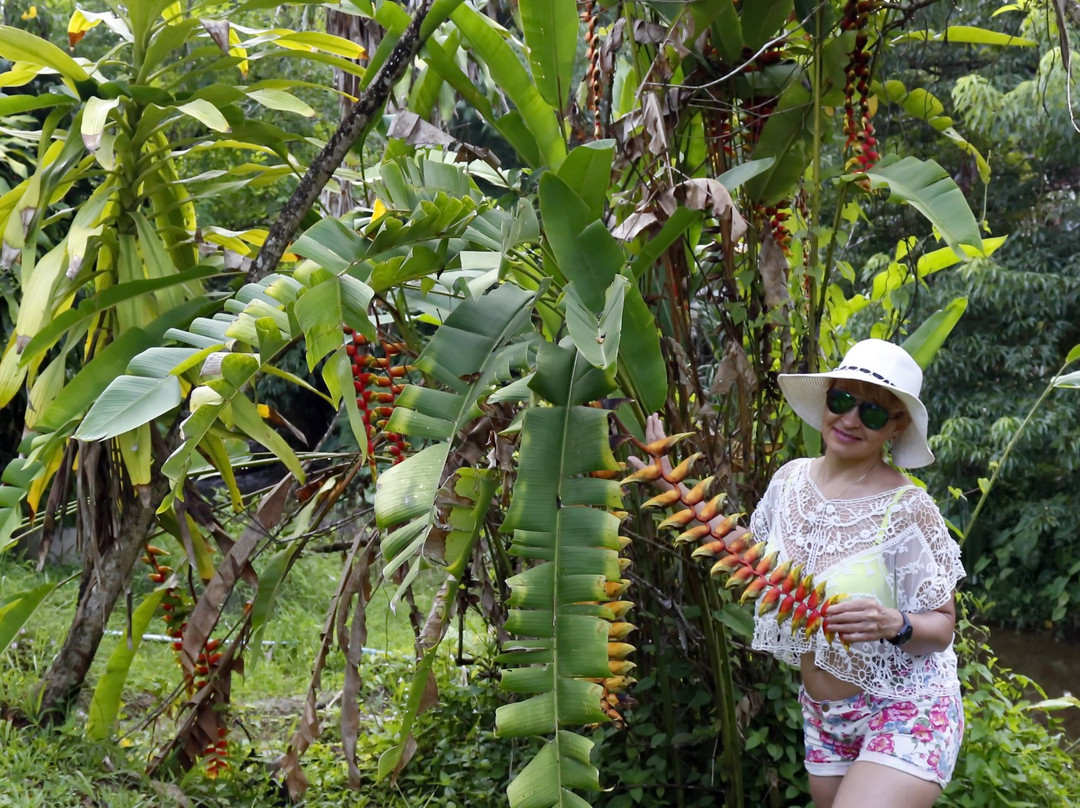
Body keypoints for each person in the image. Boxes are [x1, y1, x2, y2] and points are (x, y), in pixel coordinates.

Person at [637, 339, 965, 808]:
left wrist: (895, 623)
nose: (850, 420)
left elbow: (943, 627)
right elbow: (750, 560)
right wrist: (675, 489)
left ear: (896, 426)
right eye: (841, 400)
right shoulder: (790, 481)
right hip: (825, 715)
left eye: (872, 413)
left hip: (906, 706)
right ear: (827, 398)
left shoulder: (910, 509)